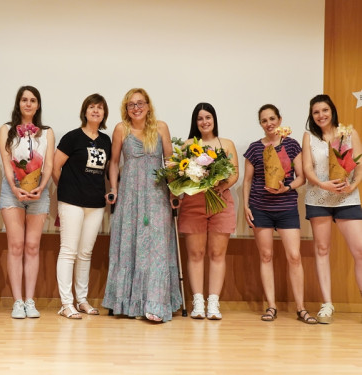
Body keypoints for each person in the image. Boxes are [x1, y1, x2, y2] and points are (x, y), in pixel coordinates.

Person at [102, 88, 182, 323]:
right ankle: (130, 304)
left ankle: (155, 304)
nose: (136, 108)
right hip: (130, 195)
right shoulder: (120, 129)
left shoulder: (161, 127)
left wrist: (174, 189)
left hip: (156, 194)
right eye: (131, 104)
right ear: (126, 108)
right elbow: (114, 162)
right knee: (130, 245)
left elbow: (169, 161)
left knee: (157, 248)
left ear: (148, 105)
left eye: (140, 103)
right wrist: (114, 189)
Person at [243, 104, 317, 324]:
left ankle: (301, 308)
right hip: (260, 208)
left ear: (280, 119)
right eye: (264, 120)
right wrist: (246, 206)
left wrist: (287, 188)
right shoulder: (255, 148)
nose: (269, 123)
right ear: (260, 124)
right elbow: (247, 180)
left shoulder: (292, 144)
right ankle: (271, 307)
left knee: (294, 257)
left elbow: (302, 177)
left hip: (286, 208)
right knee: (265, 256)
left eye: (272, 118)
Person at [302, 94, 362, 324]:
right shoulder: (309, 137)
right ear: (312, 115)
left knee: (359, 251)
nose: (321, 115)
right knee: (322, 250)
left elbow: (359, 167)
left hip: (347, 199)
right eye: (316, 112)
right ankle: (327, 304)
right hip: (319, 199)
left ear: (332, 111)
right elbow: (308, 168)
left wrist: (352, 186)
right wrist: (321, 184)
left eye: (324, 110)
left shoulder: (349, 132)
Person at [175, 103, 238, 320]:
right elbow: (179, 174)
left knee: (217, 254)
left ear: (214, 119)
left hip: (220, 201)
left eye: (208, 117)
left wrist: (221, 185)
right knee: (196, 254)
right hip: (193, 203)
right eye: (200, 118)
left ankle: (213, 303)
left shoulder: (226, 144)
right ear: (195, 122)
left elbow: (234, 173)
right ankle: (198, 302)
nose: (204, 122)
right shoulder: (186, 146)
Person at [52, 93, 111, 319]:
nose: (95, 111)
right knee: (68, 252)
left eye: (99, 108)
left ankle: (82, 300)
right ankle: (66, 304)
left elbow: (108, 171)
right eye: (91, 107)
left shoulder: (106, 141)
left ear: (104, 113)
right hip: (71, 202)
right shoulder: (71, 138)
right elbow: (56, 167)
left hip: (95, 204)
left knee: (85, 254)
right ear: (84, 112)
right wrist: (67, 189)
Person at [0, 86, 54, 319]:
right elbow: (5, 162)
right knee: (16, 246)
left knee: (32, 246)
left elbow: (49, 164)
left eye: (33, 100)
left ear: (38, 105)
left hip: (39, 191)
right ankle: (17, 301)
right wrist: (15, 187)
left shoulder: (47, 132)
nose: (28, 104)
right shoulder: (7, 129)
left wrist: (41, 187)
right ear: (18, 103)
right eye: (24, 100)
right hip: (12, 191)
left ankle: (30, 301)